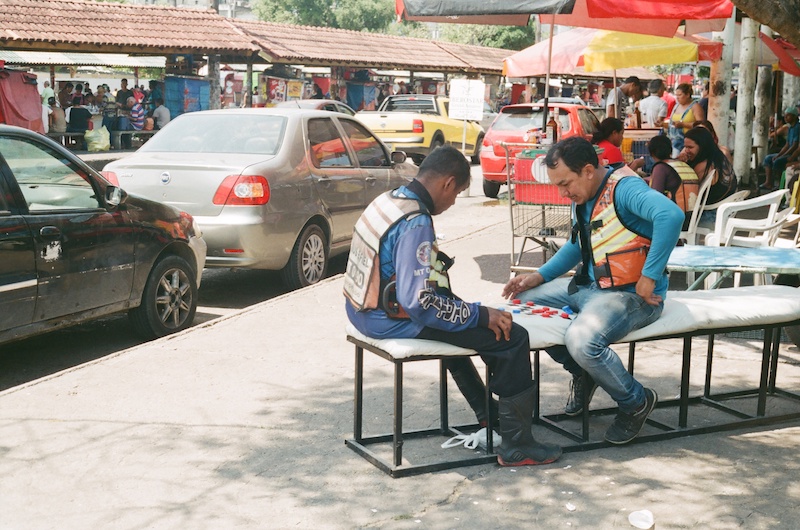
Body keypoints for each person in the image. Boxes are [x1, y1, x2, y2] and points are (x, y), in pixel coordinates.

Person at [344, 146, 562, 467]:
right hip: (390, 319)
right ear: (447, 183)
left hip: (362, 310)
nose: (454, 201)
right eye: (458, 193)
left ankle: (490, 416)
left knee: (467, 321)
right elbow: (420, 302)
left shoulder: (390, 199)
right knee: (512, 337)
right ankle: (517, 445)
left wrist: (471, 314)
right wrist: (478, 314)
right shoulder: (416, 221)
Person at [502, 137, 684, 445]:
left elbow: (671, 215)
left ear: (588, 170)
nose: (562, 193)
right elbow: (578, 244)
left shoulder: (624, 190)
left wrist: (649, 276)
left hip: (633, 297)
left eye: (565, 183)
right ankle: (584, 372)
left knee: (582, 340)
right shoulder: (583, 197)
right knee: (520, 306)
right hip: (590, 290)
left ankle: (635, 402)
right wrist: (538, 276)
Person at [646, 135, 700, 227]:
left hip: (674, 220)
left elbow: (655, 196)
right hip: (691, 218)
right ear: (670, 150)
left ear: (652, 153)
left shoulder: (660, 167)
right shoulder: (681, 165)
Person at [681, 127, 737, 210]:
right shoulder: (718, 156)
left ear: (702, 146)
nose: (686, 151)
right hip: (726, 209)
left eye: (690, 147)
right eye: (685, 147)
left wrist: (680, 164)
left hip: (710, 213)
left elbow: (687, 190)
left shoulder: (703, 165)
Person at [761, 107, 800, 190]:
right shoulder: (790, 128)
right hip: (788, 152)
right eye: (785, 116)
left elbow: (795, 146)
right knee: (768, 158)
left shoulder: (797, 127)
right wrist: (779, 155)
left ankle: (778, 184)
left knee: (777, 162)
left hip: (793, 154)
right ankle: (768, 182)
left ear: (794, 116)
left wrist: (783, 156)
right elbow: (787, 145)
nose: (785, 118)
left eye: (788, 116)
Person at [666, 83, 704, 157]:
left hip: (687, 142)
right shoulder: (676, 106)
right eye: (676, 95)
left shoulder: (695, 107)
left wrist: (683, 125)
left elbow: (701, 125)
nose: (677, 98)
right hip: (673, 141)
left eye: (680, 95)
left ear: (687, 95)